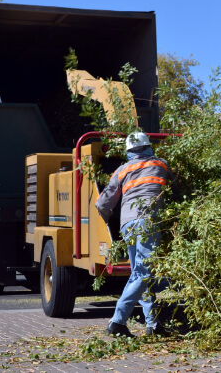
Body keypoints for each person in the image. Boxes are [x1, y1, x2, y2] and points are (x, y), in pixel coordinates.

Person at [96, 131, 174, 337]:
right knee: (144, 273)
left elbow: (102, 203)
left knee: (139, 273)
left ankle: (153, 325)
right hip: (149, 220)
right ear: (148, 147)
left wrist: (108, 220)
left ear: (128, 151)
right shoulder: (161, 164)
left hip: (127, 224)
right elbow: (177, 189)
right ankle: (117, 321)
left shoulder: (121, 170)